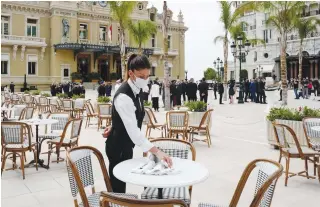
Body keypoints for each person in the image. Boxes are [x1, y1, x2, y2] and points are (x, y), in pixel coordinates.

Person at [102, 54, 172, 193]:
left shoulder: (137, 89)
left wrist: (114, 125)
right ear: (131, 73)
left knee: (124, 181)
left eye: (147, 76)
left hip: (127, 145)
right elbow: (134, 131)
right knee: (118, 188)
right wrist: (157, 151)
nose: (145, 80)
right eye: (141, 76)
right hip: (117, 147)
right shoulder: (123, 95)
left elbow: (127, 117)